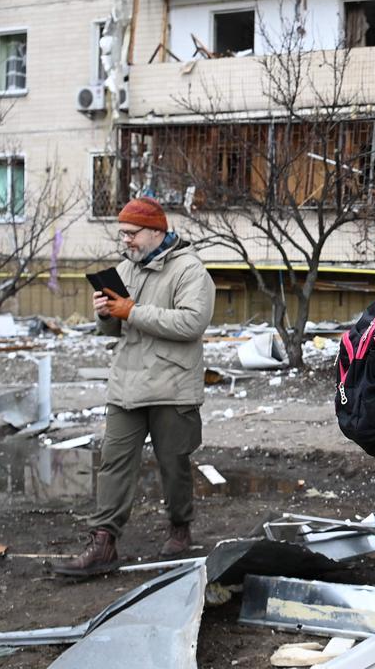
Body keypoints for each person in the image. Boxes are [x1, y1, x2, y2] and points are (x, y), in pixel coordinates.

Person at [54, 197, 216, 577]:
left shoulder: (189, 270)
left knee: (174, 465)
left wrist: (131, 311)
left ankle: (180, 526)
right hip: (126, 384)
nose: (125, 240)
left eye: (132, 233)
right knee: (113, 464)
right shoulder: (125, 269)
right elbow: (116, 329)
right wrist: (106, 314)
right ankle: (103, 543)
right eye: (123, 234)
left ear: (157, 231)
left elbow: (191, 324)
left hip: (172, 385)